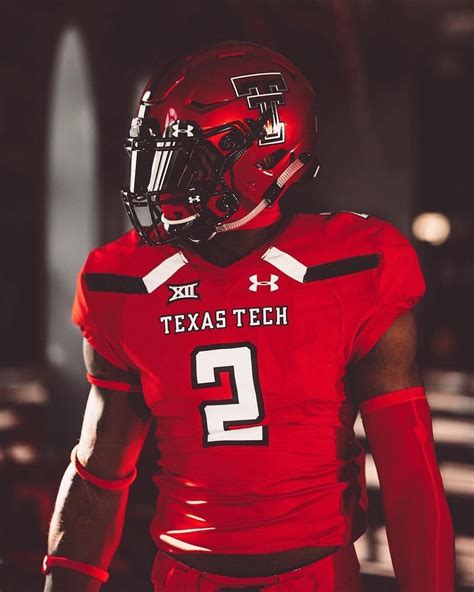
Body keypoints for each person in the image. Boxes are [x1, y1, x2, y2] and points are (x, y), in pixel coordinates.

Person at [43, 41, 454, 592]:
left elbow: (408, 473)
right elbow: (98, 474)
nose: (162, 180)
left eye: (186, 158)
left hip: (316, 579)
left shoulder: (354, 265)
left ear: (263, 155)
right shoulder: (122, 279)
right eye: (156, 153)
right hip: (180, 578)